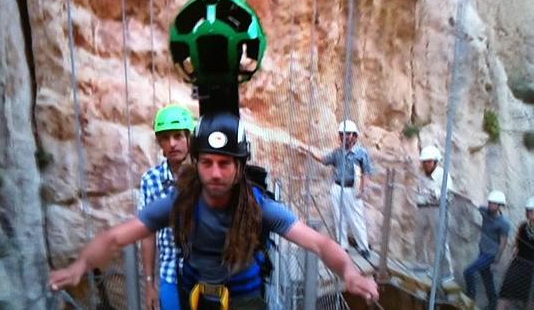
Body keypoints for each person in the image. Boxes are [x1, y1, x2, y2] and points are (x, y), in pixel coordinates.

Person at [49, 113, 379, 309]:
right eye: (207, 163)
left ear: (239, 166)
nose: (216, 173)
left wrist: (348, 271)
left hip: (243, 299)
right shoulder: (182, 202)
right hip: (193, 295)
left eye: (224, 163)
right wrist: (81, 264)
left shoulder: (257, 206)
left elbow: (319, 243)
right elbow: (116, 236)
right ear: (197, 163)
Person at [139, 104, 195, 310]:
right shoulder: (150, 180)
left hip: (204, 274)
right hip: (170, 273)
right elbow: (147, 233)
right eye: (165, 138)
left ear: (190, 137)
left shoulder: (205, 176)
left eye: (178, 136)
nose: (172, 144)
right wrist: (149, 283)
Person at [317, 120, 374, 258]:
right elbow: (324, 160)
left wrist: (363, 188)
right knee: (339, 217)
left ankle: (363, 247)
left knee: (356, 218)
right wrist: (306, 149)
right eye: (342, 134)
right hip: (337, 188)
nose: (345, 137)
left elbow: (367, 172)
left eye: (348, 134)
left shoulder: (361, 153)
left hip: (352, 189)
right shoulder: (337, 152)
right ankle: (343, 246)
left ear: (355, 136)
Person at [413, 145, 455, 282]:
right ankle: (421, 264)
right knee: (418, 236)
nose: (426, 164)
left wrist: (438, 193)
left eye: (429, 161)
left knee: (439, 241)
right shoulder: (421, 175)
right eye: (424, 161)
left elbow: (449, 194)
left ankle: (446, 272)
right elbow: (419, 191)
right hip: (423, 207)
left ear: (436, 162)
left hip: (438, 209)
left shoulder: (443, 176)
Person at [463, 190, 510, 310]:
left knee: (468, 271)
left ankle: (470, 298)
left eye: (493, 204)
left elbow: (503, 242)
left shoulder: (504, 223)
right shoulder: (485, 212)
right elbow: (473, 202)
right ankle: (493, 303)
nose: (490, 205)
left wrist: (497, 259)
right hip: (483, 251)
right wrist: (463, 193)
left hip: (491, 254)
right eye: (489, 203)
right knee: (487, 278)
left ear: (500, 206)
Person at [497, 196, 534, 310]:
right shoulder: (523, 226)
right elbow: (516, 245)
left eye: (532, 210)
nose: (529, 213)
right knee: (505, 292)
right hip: (519, 263)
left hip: (532, 267)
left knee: (529, 298)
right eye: (528, 210)